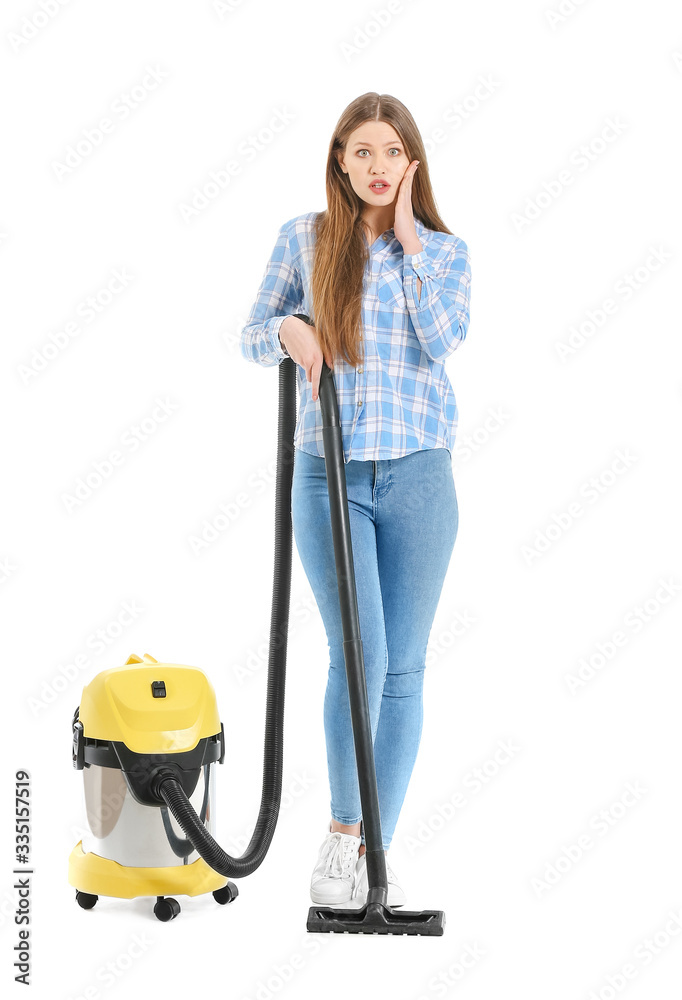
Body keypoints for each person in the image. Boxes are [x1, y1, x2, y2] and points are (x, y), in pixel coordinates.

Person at [240, 92, 471, 908]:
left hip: (419, 478)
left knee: (402, 669)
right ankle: (343, 841)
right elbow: (249, 331)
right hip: (328, 474)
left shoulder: (442, 252)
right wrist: (286, 332)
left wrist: (409, 243)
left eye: (393, 153)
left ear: (413, 164)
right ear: (340, 157)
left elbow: (444, 340)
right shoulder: (305, 237)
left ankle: (380, 855)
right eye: (363, 151)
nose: (378, 167)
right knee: (360, 654)